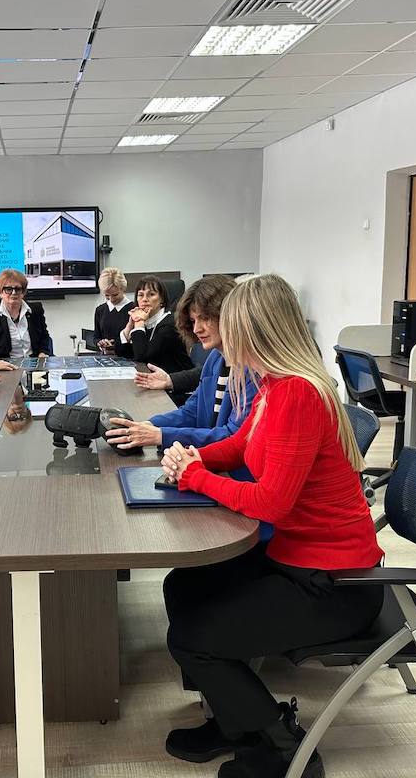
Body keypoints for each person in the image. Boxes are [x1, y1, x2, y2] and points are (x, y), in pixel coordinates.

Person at [158, 274, 384, 778]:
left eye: (232, 326)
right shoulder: (273, 386)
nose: (221, 338)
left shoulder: (297, 393)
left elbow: (271, 504)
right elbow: (241, 446)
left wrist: (195, 477)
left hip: (334, 584)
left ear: (256, 330)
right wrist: (195, 457)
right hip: (296, 559)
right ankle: (232, 718)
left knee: (192, 637)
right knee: (183, 587)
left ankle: (283, 748)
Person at [105, 275, 257, 454]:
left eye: (205, 318)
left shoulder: (254, 371)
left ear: (228, 315)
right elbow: (192, 411)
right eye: (193, 321)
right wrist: (147, 425)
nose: (197, 329)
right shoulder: (215, 359)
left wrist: (160, 435)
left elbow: (232, 437)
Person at [120, 274, 193, 374]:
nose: (144, 299)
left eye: (151, 294)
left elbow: (143, 357)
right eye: (140, 295)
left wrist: (139, 323)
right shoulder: (147, 321)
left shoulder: (169, 324)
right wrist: (129, 327)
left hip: (178, 380)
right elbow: (123, 353)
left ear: (162, 299)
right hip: (155, 379)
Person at [0, 268, 51, 359]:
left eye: (18, 289)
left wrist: (42, 353)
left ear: (23, 292)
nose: (14, 293)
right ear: (0, 292)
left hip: (34, 360)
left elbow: (44, 337)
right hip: (5, 363)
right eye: (8, 289)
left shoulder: (35, 309)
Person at [93, 267, 135, 355]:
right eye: (107, 295)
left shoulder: (134, 309)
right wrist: (101, 343)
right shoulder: (100, 310)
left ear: (123, 289)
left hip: (128, 357)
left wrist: (115, 347)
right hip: (105, 358)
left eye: (115, 295)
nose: (111, 299)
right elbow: (96, 337)